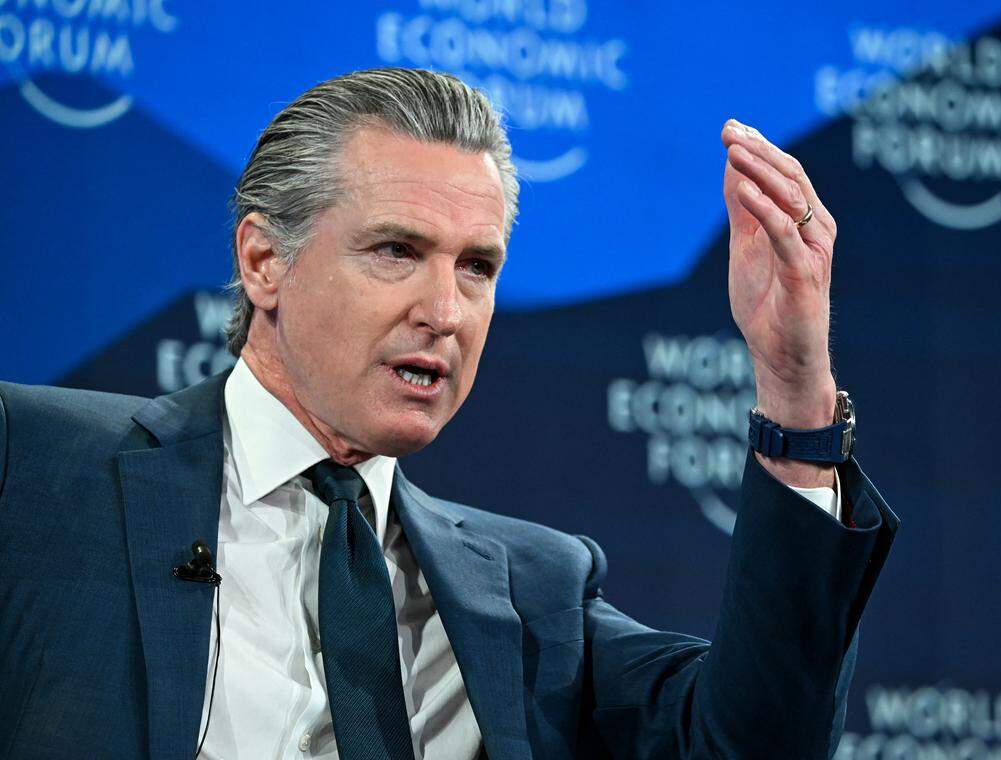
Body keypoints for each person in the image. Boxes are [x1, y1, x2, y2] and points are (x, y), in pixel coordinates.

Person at [0, 68, 896, 759]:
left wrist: (792, 390)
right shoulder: (34, 471)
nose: (447, 311)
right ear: (264, 260)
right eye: (397, 250)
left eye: (478, 267)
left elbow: (755, 745)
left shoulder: (532, 591)